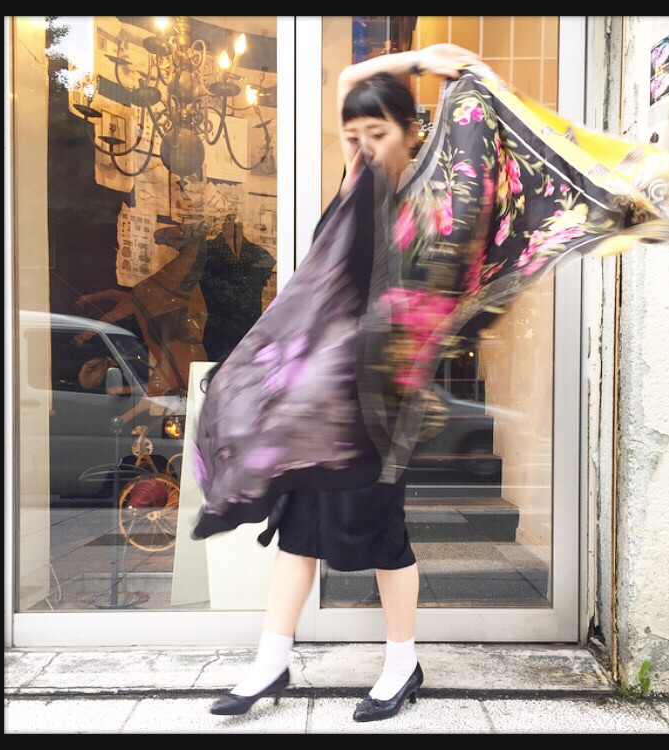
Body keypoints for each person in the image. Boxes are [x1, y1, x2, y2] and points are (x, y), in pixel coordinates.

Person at [209, 42, 482, 722]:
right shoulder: (353, 180)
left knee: (383, 535)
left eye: (377, 133)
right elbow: (351, 78)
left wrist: (468, 81)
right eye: (354, 133)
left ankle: (402, 663)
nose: (362, 145)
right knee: (299, 530)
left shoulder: (425, 205)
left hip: (378, 403)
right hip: (315, 401)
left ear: (411, 133)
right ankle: (270, 663)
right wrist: (421, 57)